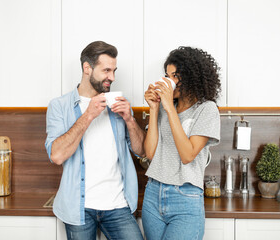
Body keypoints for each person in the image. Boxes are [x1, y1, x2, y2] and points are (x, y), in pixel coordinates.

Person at [45, 41, 145, 240]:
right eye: (106, 70)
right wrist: (88, 115)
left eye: (114, 70)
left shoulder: (118, 105)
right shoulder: (59, 106)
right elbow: (56, 155)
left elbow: (141, 151)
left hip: (118, 206)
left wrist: (130, 119)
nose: (112, 77)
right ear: (87, 68)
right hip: (78, 208)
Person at [142, 46, 221, 240]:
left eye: (176, 75)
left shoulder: (207, 109)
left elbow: (188, 155)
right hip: (153, 193)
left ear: (193, 77)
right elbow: (150, 153)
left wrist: (168, 107)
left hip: (185, 198)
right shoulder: (164, 107)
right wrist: (154, 108)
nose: (170, 81)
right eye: (167, 75)